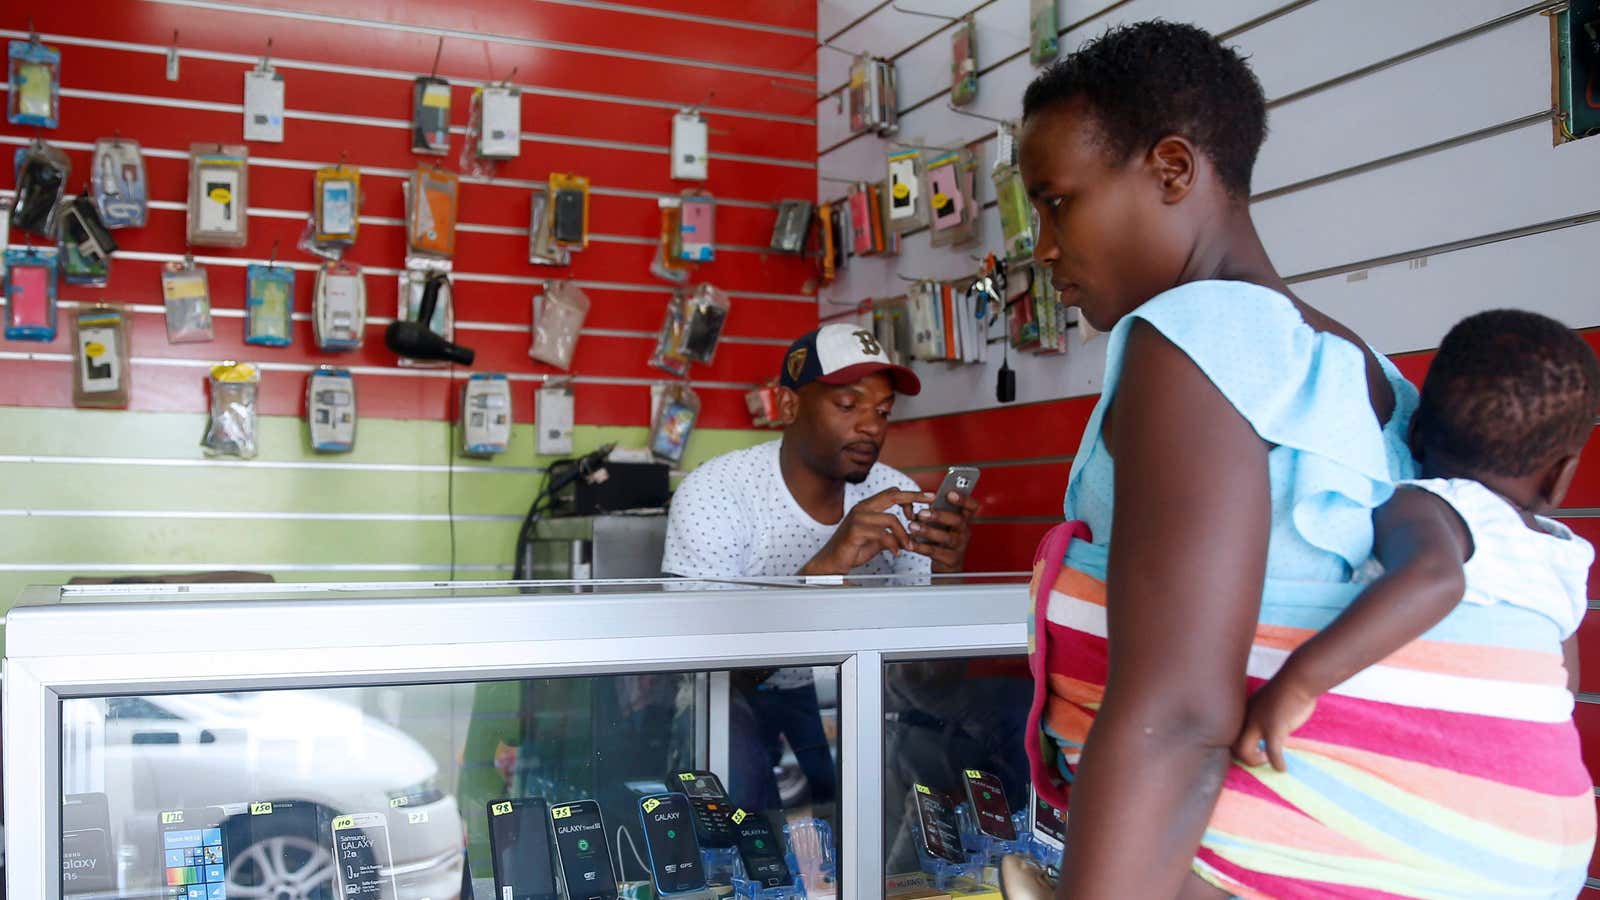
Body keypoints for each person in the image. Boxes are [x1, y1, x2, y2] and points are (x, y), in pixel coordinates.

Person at [1016, 21, 1595, 900]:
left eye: (1056, 201)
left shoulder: (1199, 338)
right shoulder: (1363, 369)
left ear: (1173, 170)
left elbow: (1179, 717)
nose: (1044, 247)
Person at [1233, 309, 1597, 775]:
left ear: (1414, 430)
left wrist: (1298, 685)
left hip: (1440, 775)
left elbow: (1434, 577)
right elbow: (1557, 684)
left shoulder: (1429, 505)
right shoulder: (1561, 552)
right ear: (1561, 477)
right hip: (1543, 784)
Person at [662, 322, 980, 812]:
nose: (872, 426)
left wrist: (947, 576)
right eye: (848, 405)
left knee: (948, 742)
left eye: (883, 411)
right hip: (741, 697)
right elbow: (697, 674)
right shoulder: (717, 494)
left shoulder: (895, 497)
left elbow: (928, 681)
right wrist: (824, 568)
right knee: (735, 769)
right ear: (789, 406)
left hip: (846, 690)